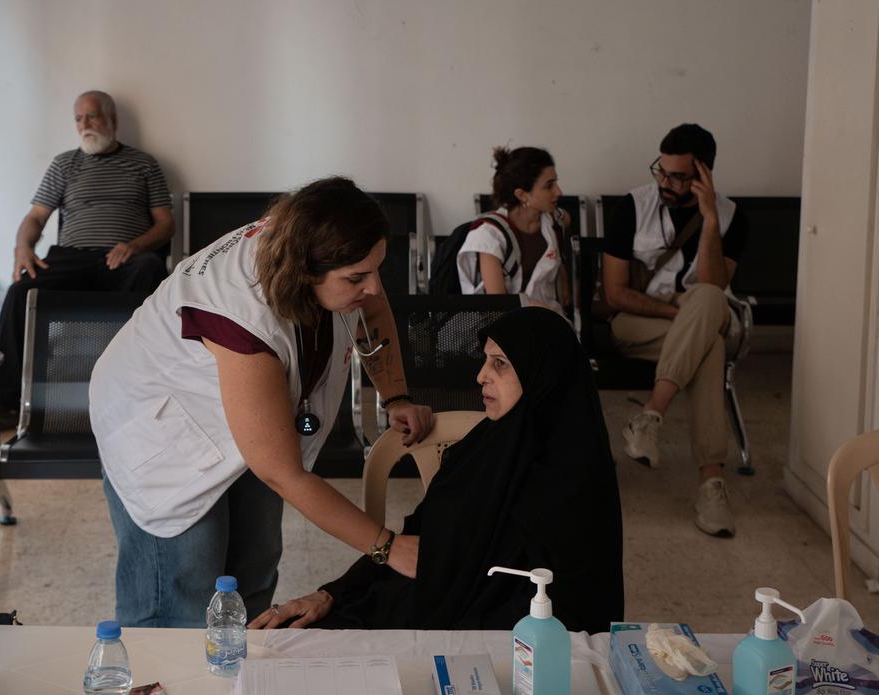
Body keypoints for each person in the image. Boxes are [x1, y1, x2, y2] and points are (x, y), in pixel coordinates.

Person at [89, 177, 435, 627]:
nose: (372, 286)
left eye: (375, 270)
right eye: (356, 278)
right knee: (185, 590)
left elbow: (373, 305)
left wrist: (397, 396)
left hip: (237, 408)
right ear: (307, 272)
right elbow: (282, 472)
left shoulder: (313, 242)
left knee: (254, 562)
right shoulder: (239, 318)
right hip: (159, 430)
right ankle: (167, 690)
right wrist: (388, 547)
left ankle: (241, 675)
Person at [250, 307, 623, 634]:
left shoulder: (574, 486)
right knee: (285, 639)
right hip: (417, 611)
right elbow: (414, 541)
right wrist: (332, 593)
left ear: (543, 375)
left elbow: (568, 614)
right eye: (485, 360)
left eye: (500, 364)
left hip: (487, 648)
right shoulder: (483, 448)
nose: (480, 376)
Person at [0, 90, 175, 432]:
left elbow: (165, 224)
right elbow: (36, 218)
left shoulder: (144, 164)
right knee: (21, 291)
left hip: (125, 261)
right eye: (78, 118)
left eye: (93, 116)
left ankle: (141, 393)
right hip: (71, 259)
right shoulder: (64, 163)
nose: (84, 124)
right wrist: (22, 248)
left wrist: (134, 246)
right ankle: (3, 401)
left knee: (151, 269)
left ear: (112, 119)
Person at [602, 123, 748, 538]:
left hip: (695, 321)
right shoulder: (632, 207)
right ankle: (711, 484)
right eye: (660, 171)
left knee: (707, 302)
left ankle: (650, 418)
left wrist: (710, 222)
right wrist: (678, 313)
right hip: (637, 325)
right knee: (709, 337)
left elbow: (713, 283)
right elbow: (615, 294)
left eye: (677, 176)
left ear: (703, 176)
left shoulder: (732, 217)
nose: (664, 182)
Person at [457, 146, 571, 314]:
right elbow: (498, 304)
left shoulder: (553, 221)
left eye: (556, 182)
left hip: (547, 320)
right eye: (549, 186)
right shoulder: (489, 235)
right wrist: (535, 307)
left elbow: (565, 219)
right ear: (522, 195)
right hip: (503, 328)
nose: (559, 191)